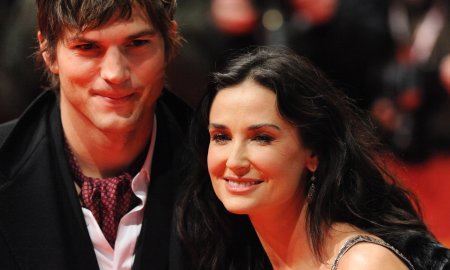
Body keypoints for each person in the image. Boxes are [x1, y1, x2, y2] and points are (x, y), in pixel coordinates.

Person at [176, 47, 450, 269]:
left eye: (262, 138)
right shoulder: (229, 255)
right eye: (221, 137)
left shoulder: (363, 263)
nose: (234, 161)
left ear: (314, 153)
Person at [0, 0, 190, 269]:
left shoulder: (218, 169)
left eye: (137, 44)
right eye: (87, 47)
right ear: (48, 50)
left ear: (169, 40)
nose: (115, 73)